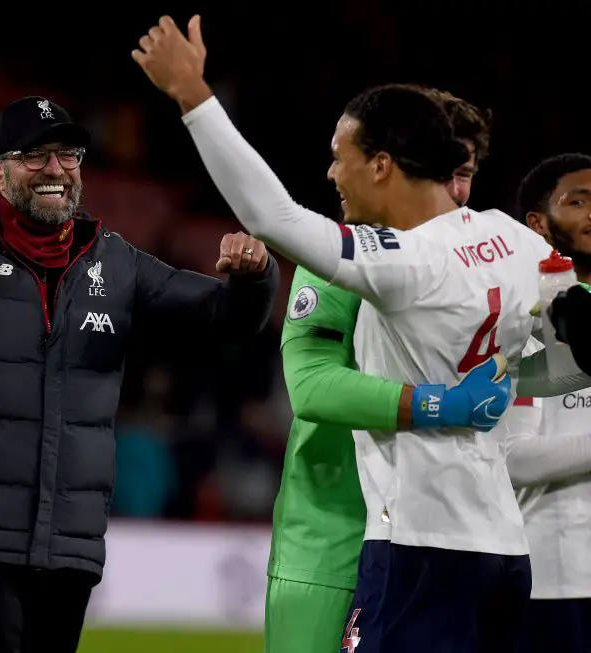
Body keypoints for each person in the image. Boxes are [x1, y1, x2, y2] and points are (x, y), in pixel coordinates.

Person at [131, 16, 591, 652]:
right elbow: (569, 340)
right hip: (504, 549)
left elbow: (274, 216)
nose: (330, 173)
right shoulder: (515, 240)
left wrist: (193, 97)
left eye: (338, 157)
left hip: (416, 544)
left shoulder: (406, 262)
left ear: (381, 165)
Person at [0, 95, 279, 653]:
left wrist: (255, 276)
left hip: (66, 548)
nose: (55, 169)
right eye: (34, 156)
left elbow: (229, 318)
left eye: (68, 155)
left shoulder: (115, 262)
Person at [266, 89, 499, 653]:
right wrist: (444, 404)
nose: (451, 190)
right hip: (333, 545)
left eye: (463, 173)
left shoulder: (489, 268)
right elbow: (312, 388)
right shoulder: (339, 259)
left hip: (451, 542)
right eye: (439, 169)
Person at [508, 153, 591, 651]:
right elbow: (515, 460)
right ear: (538, 224)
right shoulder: (529, 325)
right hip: (558, 581)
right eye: (577, 202)